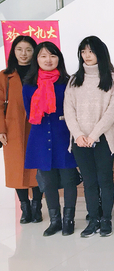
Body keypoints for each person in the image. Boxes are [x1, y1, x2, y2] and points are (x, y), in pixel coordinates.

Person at [64, 37, 114, 238]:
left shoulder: (112, 79)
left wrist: (94, 134)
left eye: (91, 51)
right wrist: (79, 135)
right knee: (89, 181)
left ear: (100, 53)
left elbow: (113, 110)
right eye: (83, 51)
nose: (87, 56)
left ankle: (106, 219)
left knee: (105, 180)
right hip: (80, 140)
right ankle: (93, 219)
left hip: (104, 138)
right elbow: (68, 110)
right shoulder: (74, 80)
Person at [22, 42, 80, 237]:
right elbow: (30, 112)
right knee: (48, 182)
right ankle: (55, 221)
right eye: (43, 56)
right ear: (37, 59)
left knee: (69, 179)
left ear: (59, 59)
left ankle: (68, 220)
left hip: (63, 135)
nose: (48, 60)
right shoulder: (29, 85)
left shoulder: (68, 82)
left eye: (53, 56)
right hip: (40, 137)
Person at [0, 35, 42, 224]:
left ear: (34, 52)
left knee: (38, 167)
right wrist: (1, 129)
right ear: (13, 52)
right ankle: (25, 207)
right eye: (19, 49)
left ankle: (37, 207)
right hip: (13, 128)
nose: (23, 54)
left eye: (28, 50)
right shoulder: (5, 76)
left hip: (37, 126)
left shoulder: (40, 74)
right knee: (17, 167)